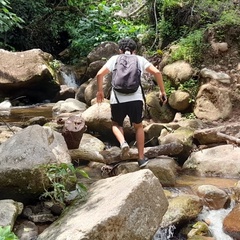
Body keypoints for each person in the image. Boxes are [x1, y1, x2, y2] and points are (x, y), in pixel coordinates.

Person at [96, 38, 167, 168]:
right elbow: (157, 72)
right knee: (138, 126)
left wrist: (100, 91)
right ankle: (141, 159)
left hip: (117, 99)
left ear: (120, 50)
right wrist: (162, 92)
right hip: (136, 98)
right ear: (134, 50)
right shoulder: (139, 59)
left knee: (116, 124)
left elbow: (99, 74)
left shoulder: (115, 59)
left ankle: (123, 143)